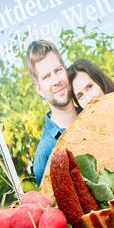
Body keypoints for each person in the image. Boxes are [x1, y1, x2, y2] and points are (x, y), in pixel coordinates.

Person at [29, 40, 77, 184]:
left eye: (58, 70)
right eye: (46, 77)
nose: (56, 80)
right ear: (38, 89)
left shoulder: (93, 111)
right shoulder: (45, 153)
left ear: (65, 70)